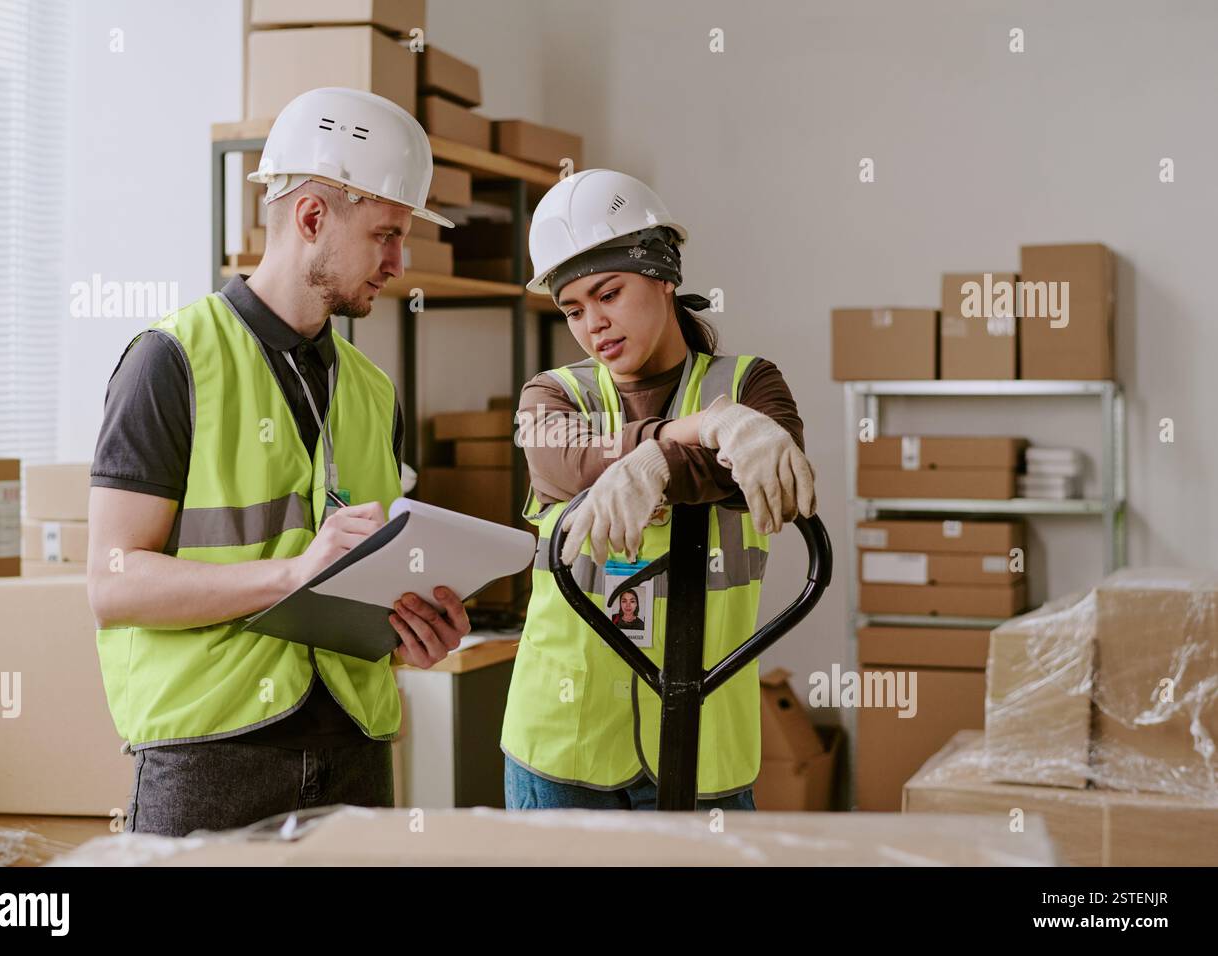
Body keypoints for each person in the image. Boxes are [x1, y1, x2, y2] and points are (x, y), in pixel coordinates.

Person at [87, 88, 471, 837]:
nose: (400, 261)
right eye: (387, 234)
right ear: (312, 218)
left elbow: (362, 580)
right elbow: (112, 583)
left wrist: (414, 626)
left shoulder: (371, 389)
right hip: (211, 758)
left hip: (355, 753)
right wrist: (296, 572)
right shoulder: (170, 362)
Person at [501, 169, 817, 811]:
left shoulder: (753, 384)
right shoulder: (555, 394)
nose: (593, 325)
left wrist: (659, 467)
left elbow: (764, 472)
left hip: (703, 741)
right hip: (565, 743)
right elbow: (565, 462)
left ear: (664, 276)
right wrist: (703, 428)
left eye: (608, 293)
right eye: (573, 309)